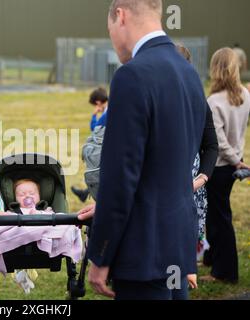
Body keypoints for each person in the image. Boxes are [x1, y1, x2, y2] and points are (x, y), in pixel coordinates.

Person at [78, 0, 207, 300]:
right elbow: (166, 167)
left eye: (109, 28)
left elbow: (121, 177)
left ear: (120, 16)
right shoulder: (188, 73)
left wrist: (101, 254)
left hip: (143, 253)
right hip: (177, 246)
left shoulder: (131, 75)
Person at [172, 44, 219, 298]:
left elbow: (211, 146)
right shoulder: (155, 98)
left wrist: (200, 179)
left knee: (180, 264)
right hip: (161, 194)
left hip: (191, 193)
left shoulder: (197, 101)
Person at [202, 48, 250, 284]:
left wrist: (234, 160)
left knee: (220, 219)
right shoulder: (244, 95)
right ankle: (211, 257)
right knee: (215, 216)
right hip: (233, 165)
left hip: (221, 166)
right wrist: (238, 160)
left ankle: (225, 272)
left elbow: (218, 141)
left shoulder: (214, 101)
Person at [71, 87, 109, 202]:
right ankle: (85, 192)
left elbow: (95, 128)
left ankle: (85, 193)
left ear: (97, 102)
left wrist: (94, 115)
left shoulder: (108, 112)